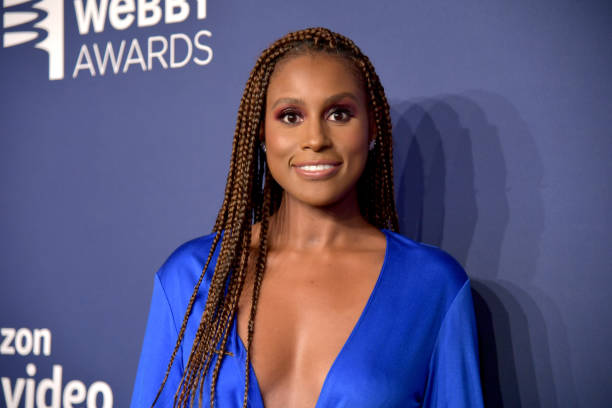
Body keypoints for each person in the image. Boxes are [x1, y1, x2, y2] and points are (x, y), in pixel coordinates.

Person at [130, 27, 484, 408]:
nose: (315, 138)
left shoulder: (433, 285)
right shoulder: (191, 276)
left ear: (372, 129)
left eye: (339, 113)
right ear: (261, 133)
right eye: (291, 116)